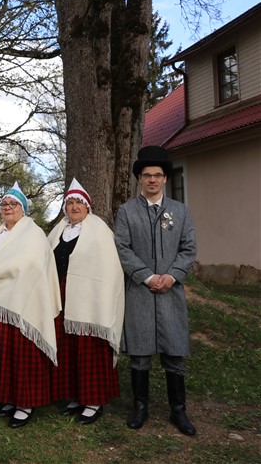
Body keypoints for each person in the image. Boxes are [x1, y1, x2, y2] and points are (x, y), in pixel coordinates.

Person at [0, 182, 61, 428]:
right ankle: (8, 399)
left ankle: (25, 404)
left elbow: (30, 265)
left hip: (21, 304)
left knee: (21, 356)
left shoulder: (33, 234)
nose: (8, 207)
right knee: (2, 355)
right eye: (4, 204)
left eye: (13, 204)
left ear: (23, 208)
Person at [115, 146, 198, 436]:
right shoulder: (126, 211)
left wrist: (172, 276)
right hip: (140, 291)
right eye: (147, 175)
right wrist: (147, 277)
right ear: (140, 178)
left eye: (157, 175)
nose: (152, 179)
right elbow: (122, 248)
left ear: (165, 179)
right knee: (139, 352)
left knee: (174, 350)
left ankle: (179, 410)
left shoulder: (180, 211)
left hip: (170, 292)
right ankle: (140, 407)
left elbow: (188, 249)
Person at [47, 179, 124, 424]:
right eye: (70, 203)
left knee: (89, 348)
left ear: (87, 206)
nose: (74, 207)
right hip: (62, 293)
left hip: (91, 299)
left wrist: (102, 299)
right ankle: (74, 396)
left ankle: (93, 401)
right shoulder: (57, 231)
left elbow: (109, 268)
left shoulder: (99, 230)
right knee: (67, 346)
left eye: (79, 202)